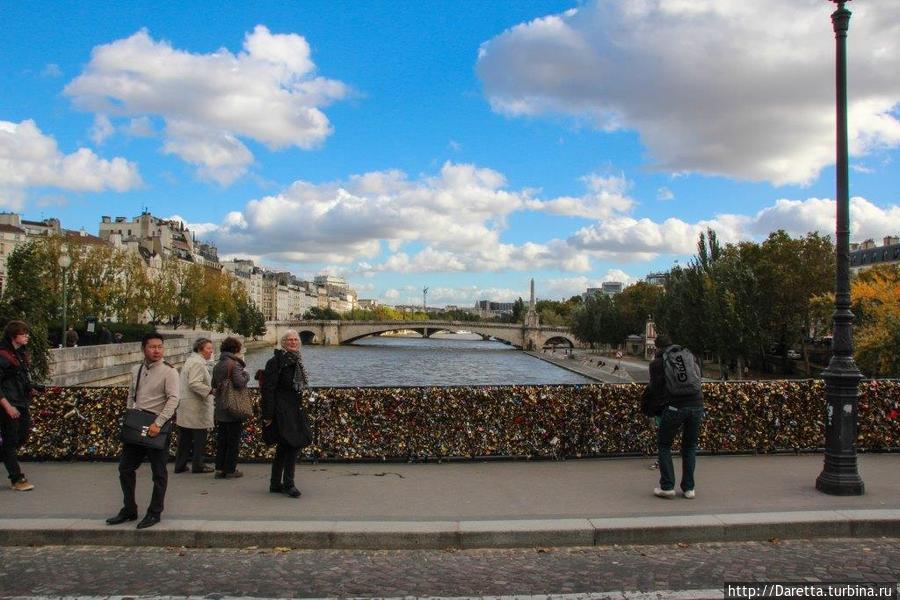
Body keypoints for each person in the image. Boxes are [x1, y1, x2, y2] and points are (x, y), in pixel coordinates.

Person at [106, 332, 179, 529]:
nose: (157, 350)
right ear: (143, 349)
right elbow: (132, 394)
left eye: (160, 347)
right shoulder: (136, 369)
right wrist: (130, 414)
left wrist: (159, 423)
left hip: (156, 425)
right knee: (126, 468)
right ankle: (129, 509)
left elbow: (173, 399)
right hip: (137, 423)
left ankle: (155, 512)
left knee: (158, 473)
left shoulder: (169, 371)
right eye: (152, 347)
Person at [646, 334, 704, 500]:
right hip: (697, 404)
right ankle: (689, 488)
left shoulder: (658, 363)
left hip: (675, 406)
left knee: (664, 445)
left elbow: (656, 389)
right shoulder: (689, 355)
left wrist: (655, 409)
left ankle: (667, 486)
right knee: (690, 446)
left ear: (657, 347)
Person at [261, 329, 312, 498]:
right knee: (292, 445)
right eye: (289, 340)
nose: (293, 342)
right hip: (282, 410)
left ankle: (275, 483)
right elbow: (268, 390)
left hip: (294, 408)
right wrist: (268, 415)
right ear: (282, 343)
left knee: (284, 447)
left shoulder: (296, 361)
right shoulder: (276, 362)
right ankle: (289, 484)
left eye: (295, 340)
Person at [0, 321, 38, 491]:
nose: (26, 336)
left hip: (21, 401)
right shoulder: (3, 355)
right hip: (8, 403)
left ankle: (8, 458)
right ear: (13, 336)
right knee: (10, 440)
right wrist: (7, 406)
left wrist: (31, 388)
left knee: (22, 435)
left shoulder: (20, 354)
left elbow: (19, 378)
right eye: (23, 334)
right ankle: (17, 478)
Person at [174, 338, 215, 474]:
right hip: (195, 406)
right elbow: (194, 383)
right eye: (209, 348)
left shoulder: (190, 361)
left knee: (184, 438)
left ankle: (180, 465)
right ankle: (198, 465)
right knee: (199, 437)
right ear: (200, 349)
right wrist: (210, 391)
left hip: (186, 405)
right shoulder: (198, 363)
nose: (211, 351)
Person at [211, 337, 249, 479]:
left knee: (222, 440)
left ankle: (220, 469)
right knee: (233, 440)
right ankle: (230, 469)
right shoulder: (234, 365)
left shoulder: (217, 365)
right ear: (236, 350)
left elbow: (214, 384)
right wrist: (247, 375)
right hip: (234, 407)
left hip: (221, 406)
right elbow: (239, 382)